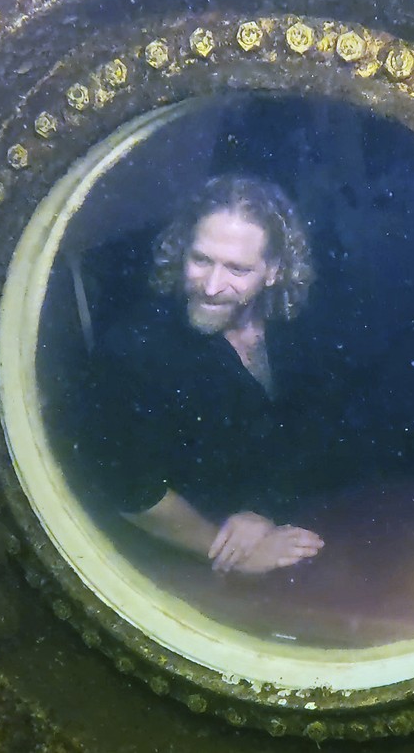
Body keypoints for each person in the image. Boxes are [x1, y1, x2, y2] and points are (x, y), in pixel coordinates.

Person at [85, 175, 331, 574]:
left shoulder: (296, 327)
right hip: (179, 562)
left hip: (291, 522)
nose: (213, 286)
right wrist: (231, 553)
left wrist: (261, 510)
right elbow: (132, 492)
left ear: (273, 271)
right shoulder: (133, 351)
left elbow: (316, 424)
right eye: (201, 260)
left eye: (237, 269)